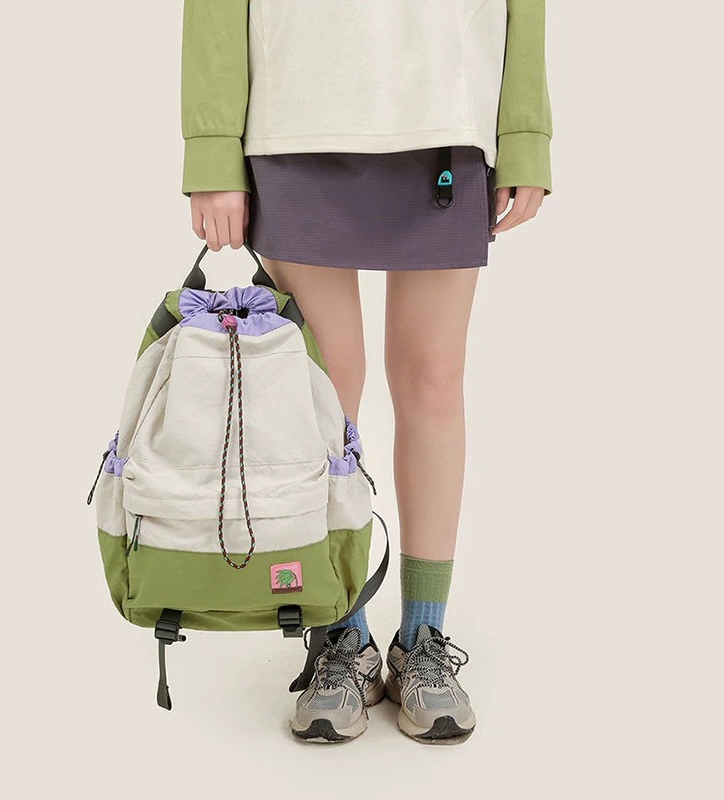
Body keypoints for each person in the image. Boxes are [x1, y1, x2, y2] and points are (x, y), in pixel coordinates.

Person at [180, 0, 552, 745]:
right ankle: (341, 633)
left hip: (446, 114)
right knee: (324, 396)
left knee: (432, 379)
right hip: (298, 115)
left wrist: (525, 134)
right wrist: (213, 147)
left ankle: (423, 636)